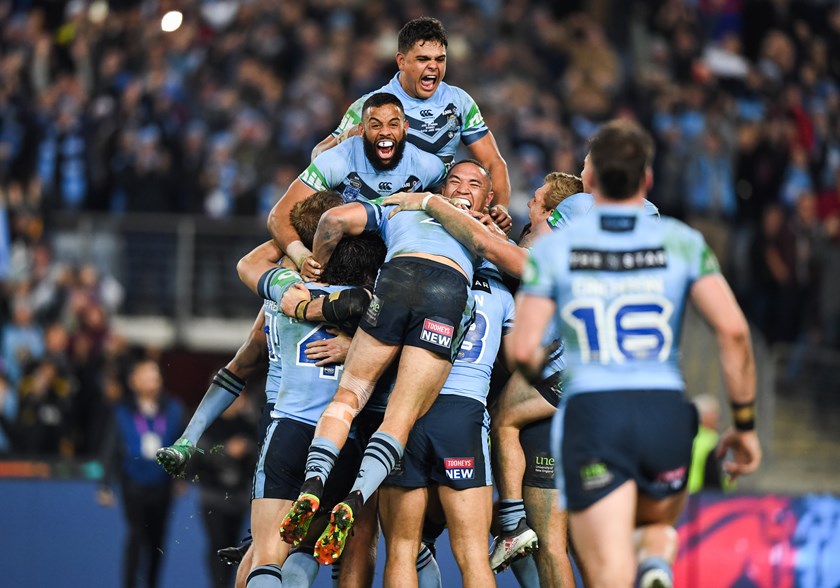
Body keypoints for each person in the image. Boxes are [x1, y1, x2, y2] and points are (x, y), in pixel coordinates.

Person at [510, 119, 762, 588]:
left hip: (594, 413)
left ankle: (643, 563)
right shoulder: (683, 241)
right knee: (651, 525)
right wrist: (744, 426)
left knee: (605, 568)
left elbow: (524, 347)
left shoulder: (557, 247)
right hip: (664, 413)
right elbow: (733, 333)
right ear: (646, 180)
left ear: (588, 182)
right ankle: (656, 555)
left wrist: (531, 364)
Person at [280, 160, 489, 566]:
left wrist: (318, 268)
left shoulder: (399, 206)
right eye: (458, 182)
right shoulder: (482, 229)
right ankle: (355, 498)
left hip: (394, 279)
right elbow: (519, 263)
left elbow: (334, 218)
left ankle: (313, 484)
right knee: (400, 418)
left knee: (350, 394)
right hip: (446, 292)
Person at [237, 192, 387, 588]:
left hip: (289, 430)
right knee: (305, 552)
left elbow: (248, 265)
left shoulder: (286, 293)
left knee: (266, 556)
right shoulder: (373, 308)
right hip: (343, 442)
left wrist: (294, 244)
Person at [377, 166, 507, 588]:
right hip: (456, 416)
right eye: (455, 181)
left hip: (410, 411)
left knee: (401, 548)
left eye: (475, 184)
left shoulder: (412, 254)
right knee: (471, 555)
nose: (463, 188)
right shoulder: (503, 286)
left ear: (488, 200)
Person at [311, 16, 512, 234]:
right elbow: (318, 155)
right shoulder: (371, 106)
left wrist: (501, 206)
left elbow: (493, 161)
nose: (433, 66)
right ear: (401, 61)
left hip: (432, 216)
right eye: (423, 59)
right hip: (373, 214)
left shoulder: (459, 102)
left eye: (440, 59)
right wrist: (348, 136)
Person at [267, 92, 446, 280]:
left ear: (405, 128)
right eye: (375, 125)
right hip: (342, 250)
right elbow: (278, 216)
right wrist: (301, 257)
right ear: (361, 131)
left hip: (396, 255)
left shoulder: (427, 166)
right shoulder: (337, 160)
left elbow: (454, 193)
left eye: (393, 124)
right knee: (268, 259)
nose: (385, 132)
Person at [98, 358, 185, 588]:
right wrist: (105, 484)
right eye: (147, 374)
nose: (154, 379)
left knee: (158, 540)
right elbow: (110, 448)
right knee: (136, 535)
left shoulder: (173, 408)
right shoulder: (122, 411)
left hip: (162, 484)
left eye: (156, 374)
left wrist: (181, 476)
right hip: (133, 483)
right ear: (134, 381)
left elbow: (183, 444)